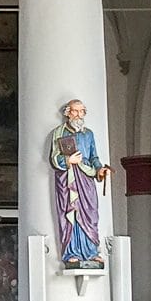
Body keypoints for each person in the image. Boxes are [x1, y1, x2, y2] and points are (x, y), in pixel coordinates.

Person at [50, 98, 109, 267]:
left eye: (81, 111)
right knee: (71, 213)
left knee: (90, 212)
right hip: (68, 179)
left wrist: (99, 170)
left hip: (86, 178)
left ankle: (91, 251)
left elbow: (94, 157)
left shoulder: (88, 134)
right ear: (68, 113)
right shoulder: (59, 132)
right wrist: (68, 161)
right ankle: (71, 252)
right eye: (75, 111)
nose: (78, 115)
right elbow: (54, 157)